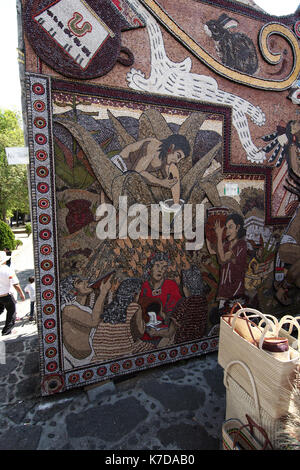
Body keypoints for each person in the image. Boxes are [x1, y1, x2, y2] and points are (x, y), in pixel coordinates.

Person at [92, 278, 155, 361]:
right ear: (135, 294)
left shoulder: (110, 306)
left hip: (100, 351)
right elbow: (140, 332)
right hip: (123, 351)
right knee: (151, 347)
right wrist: (143, 323)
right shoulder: (134, 307)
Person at [61, 274, 112, 369]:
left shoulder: (85, 308)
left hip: (89, 357)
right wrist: (103, 293)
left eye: (85, 280)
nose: (86, 283)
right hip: (73, 362)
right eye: (80, 282)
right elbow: (94, 321)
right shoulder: (68, 309)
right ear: (71, 290)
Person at [207, 213, 247, 309]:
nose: (227, 231)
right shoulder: (226, 245)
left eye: (230, 227)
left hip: (235, 290)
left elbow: (223, 259)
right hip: (225, 288)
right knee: (223, 316)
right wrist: (207, 235)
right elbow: (213, 251)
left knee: (232, 318)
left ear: (238, 228)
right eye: (226, 228)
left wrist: (219, 236)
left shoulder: (241, 245)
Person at [172, 265, 208, 343]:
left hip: (184, 339)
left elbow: (175, 319)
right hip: (199, 337)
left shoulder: (186, 302)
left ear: (186, 288)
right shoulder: (203, 301)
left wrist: (179, 325)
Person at [0, 251, 25, 335]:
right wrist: (21, 293)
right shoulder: (7, 269)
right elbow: (15, 284)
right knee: (11, 312)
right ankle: (6, 330)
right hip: (6, 295)